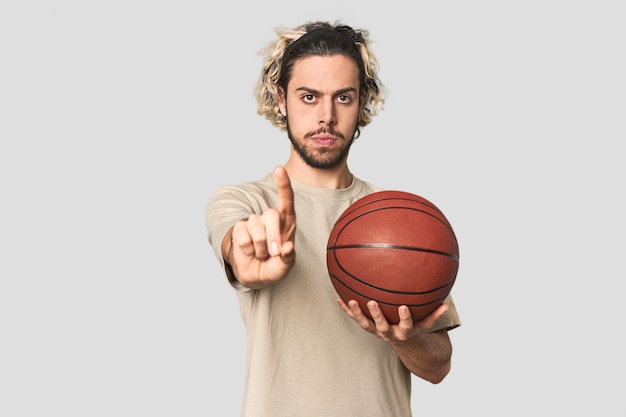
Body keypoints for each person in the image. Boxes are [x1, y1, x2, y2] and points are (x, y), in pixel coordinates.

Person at [205, 20, 461, 417]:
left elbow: (439, 365)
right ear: (282, 99)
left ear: (362, 103)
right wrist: (251, 260)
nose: (326, 116)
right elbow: (237, 246)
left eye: (343, 98)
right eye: (309, 97)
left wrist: (405, 340)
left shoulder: (402, 220)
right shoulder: (245, 201)